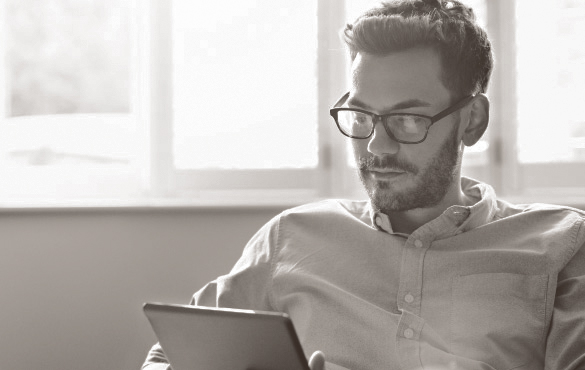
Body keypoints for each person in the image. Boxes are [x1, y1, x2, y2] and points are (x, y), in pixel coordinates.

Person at [143, 0, 585, 369]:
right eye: (363, 116)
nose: (377, 145)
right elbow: (168, 356)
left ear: (472, 120)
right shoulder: (291, 237)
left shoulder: (562, 243)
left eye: (408, 119)